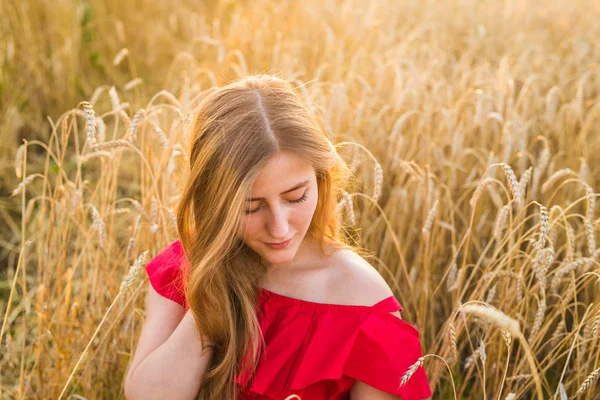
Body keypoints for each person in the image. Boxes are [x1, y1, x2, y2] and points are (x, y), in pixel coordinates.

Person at [124, 74, 432, 400]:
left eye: (296, 197)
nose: (280, 229)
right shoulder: (184, 264)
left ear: (319, 179)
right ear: (214, 205)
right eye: (250, 208)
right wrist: (214, 287)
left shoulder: (364, 306)